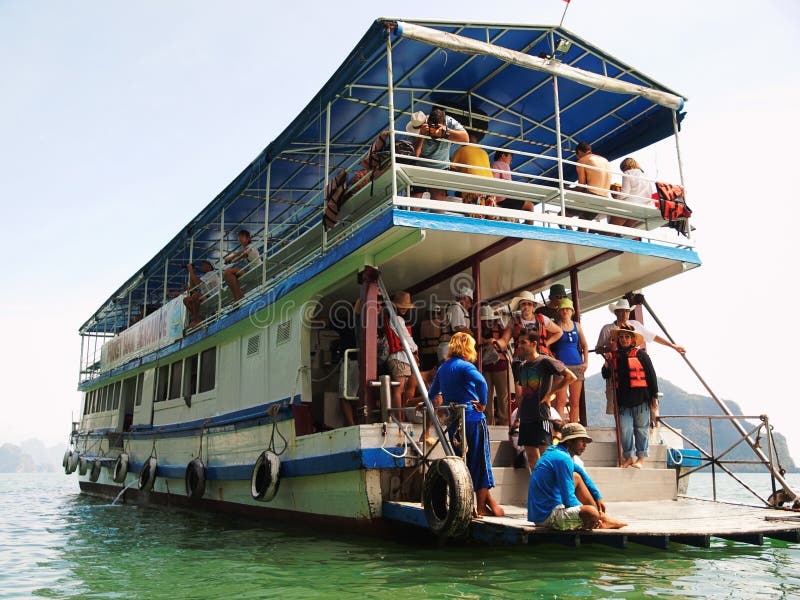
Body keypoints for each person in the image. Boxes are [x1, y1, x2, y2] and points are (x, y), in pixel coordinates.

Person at [428, 332, 504, 517]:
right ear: (467, 348)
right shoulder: (465, 366)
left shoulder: (443, 368)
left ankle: (484, 504)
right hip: (472, 419)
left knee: (464, 463)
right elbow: (482, 383)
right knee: (481, 463)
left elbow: (432, 393)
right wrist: (484, 403)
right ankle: (479, 508)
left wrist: (424, 404)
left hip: (454, 423)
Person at [528, 422, 627, 530]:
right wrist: (587, 514)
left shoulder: (555, 452)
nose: (585, 445)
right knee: (590, 513)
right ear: (570, 441)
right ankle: (599, 520)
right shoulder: (563, 459)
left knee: (576, 477)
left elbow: (580, 472)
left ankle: (601, 518)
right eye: (581, 441)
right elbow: (569, 501)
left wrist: (597, 496)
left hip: (542, 512)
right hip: (546, 517)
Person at [595, 298, 683, 418]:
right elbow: (598, 349)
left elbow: (653, 336)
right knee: (615, 402)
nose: (624, 314)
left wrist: (672, 346)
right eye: (621, 311)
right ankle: (620, 431)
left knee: (643, 397)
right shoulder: (607, 329)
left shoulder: (635, 325)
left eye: (626, 311)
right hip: (615, 368)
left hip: (635, 366)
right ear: (616, 312)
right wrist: (610, 348)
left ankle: (650, 422)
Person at [516, 331, 576, 468]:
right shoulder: (522, 366)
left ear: (534, 344)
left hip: (541, 416)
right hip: (526, 417)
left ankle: (549, 488)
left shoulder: (545, 361)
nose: (520, 346)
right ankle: (539, 487)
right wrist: (518, 417)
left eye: (523, 343)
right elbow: (524, 394)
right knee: (531, 459)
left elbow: (570, 376)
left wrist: (551, 394)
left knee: (545, 458)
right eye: (519, 343)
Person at [602, 326, 659, 468]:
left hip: (641, 399)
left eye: (627, 337)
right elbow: (605, 375)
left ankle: (640, 458)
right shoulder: (613, 356)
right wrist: (606, 363)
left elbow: (652, 376)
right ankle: (628, 457)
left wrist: (654, 397)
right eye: (621, 337)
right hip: (622, 401)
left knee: (641, 429)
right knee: (625, 429)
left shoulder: (641, 355)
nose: (624, 339)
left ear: (632, 339)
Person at [408, 107, 469, 201]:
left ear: (444, 124)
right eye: (432, 127)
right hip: (420, 166)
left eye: (437, 127)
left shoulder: (449, 121)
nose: (434, 131)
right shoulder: (420, 128)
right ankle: (411, 216)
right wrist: (421, 136)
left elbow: (466, 140)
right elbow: (415, 155)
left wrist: (446, 133)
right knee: (416, 195)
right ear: (427, 123)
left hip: (441, 167)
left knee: (439, 196)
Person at [550, 298, 589, 423]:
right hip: (562, 367)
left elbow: (585, 345)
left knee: (575, 401)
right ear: (559, 311)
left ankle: (574, 428)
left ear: (572, 311)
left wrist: (586, 362)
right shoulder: (556, 326)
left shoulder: (577, 326)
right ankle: (559, 429)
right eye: (563, 309)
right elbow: (547, 346)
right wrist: (554, 360)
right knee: (560, 401)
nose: (565, 311)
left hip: (577, 365)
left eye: (567, 309)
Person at [382, 291, 418, 420]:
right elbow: (406, 338)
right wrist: (415, 349)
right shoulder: (397, 319)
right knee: (399, 389)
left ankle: (400, 416)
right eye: (402, 306)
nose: (404, 309)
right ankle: (399, 418)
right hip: (399, 357)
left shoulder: (391, 318)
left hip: (399, 357)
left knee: (400, 389)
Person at [500, 290, 563, 357]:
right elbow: (504, 340)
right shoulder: (513, 322)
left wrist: (546, 343)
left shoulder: (542, 319)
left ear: (533, 306)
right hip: (521, 359)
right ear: (519, 306)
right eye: (523, 304)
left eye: (529, 304)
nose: (526, 307)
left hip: (541, 357)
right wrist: (495, 342)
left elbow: (559, 332)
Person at [478, 304, 511, 426]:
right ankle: (487, 424)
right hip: (484, 368)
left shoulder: (500, 328)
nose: (487, 322)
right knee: (486, 396)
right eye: (484, 320)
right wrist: (487, 342)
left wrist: (494, 342)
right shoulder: (478, 331)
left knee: (503, 398)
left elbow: (504, 343)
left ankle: (505, 424)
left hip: (500, 366)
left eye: (488, 320)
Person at [609, 157, 653, 228]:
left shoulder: (628, 173)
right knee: (622, 232)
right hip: (642, 208)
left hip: (628, 206)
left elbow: (625, 193)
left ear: (626, 166)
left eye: (622, 169)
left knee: (610, 230)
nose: (623, 171)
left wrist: (616, 197)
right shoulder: (645, 174)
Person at [223, 229, 262, 301]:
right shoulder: (245, 249)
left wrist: (231, 258)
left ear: (248, 238)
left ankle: (238, 296)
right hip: (252, 270)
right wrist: (230, 260)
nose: (239, 238)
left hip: (257, 270)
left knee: (228, 272)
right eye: (239, 236)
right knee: (229, 273)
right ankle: (238, 296)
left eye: (242, 236)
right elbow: (240, 256)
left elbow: (244, 252)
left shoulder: (251, 246)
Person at [437, 287, 473, 363]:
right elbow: (458, 327)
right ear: (465, 298)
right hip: (448, 349)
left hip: (453, 348)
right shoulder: (455, 307)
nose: (470, 305)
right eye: (470, 302)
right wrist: (474, 335)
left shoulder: (457, 308)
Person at [183, 260, 221, 327]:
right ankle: (197, 319)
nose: (201, 266)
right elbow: (193, 287)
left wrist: (191, 270)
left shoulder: (211, 273)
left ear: (209, 266)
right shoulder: (205, 276)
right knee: (186, 300)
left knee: (195, 296)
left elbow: (198, 283)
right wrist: (191, 271)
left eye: (204, 264)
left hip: (213, 297)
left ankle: (196, 320)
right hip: (206, 297)